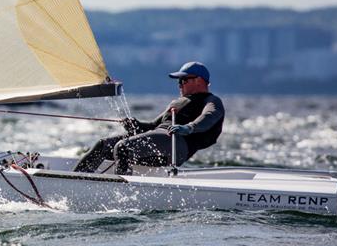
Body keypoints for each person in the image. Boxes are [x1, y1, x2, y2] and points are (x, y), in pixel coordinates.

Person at [73, 61, 225, 175]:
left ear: (199, 80)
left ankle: (123, 194)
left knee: (124, 147)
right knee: (104, 146)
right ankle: (76, 180)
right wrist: (136, 125)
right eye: (179, 81)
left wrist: (189, 127)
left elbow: (209, 117)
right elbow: (154, 126)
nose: (180, 85)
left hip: (176, 145)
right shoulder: (178, 102)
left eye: (183, 80)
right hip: (160, 139)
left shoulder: (211, 100)